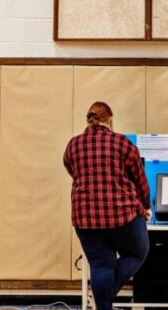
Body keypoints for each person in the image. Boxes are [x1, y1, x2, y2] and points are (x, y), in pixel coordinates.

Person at [64, 102, 151, 310]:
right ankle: (105, 298)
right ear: (110, 119)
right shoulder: (122, 142)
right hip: (121, 215)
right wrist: (146, 206)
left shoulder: (73, 145)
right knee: (137, 252)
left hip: (85, 218)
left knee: (101, 265)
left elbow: (72, 170)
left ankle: (103, 302)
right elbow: (140, 180)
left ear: (88, 120)